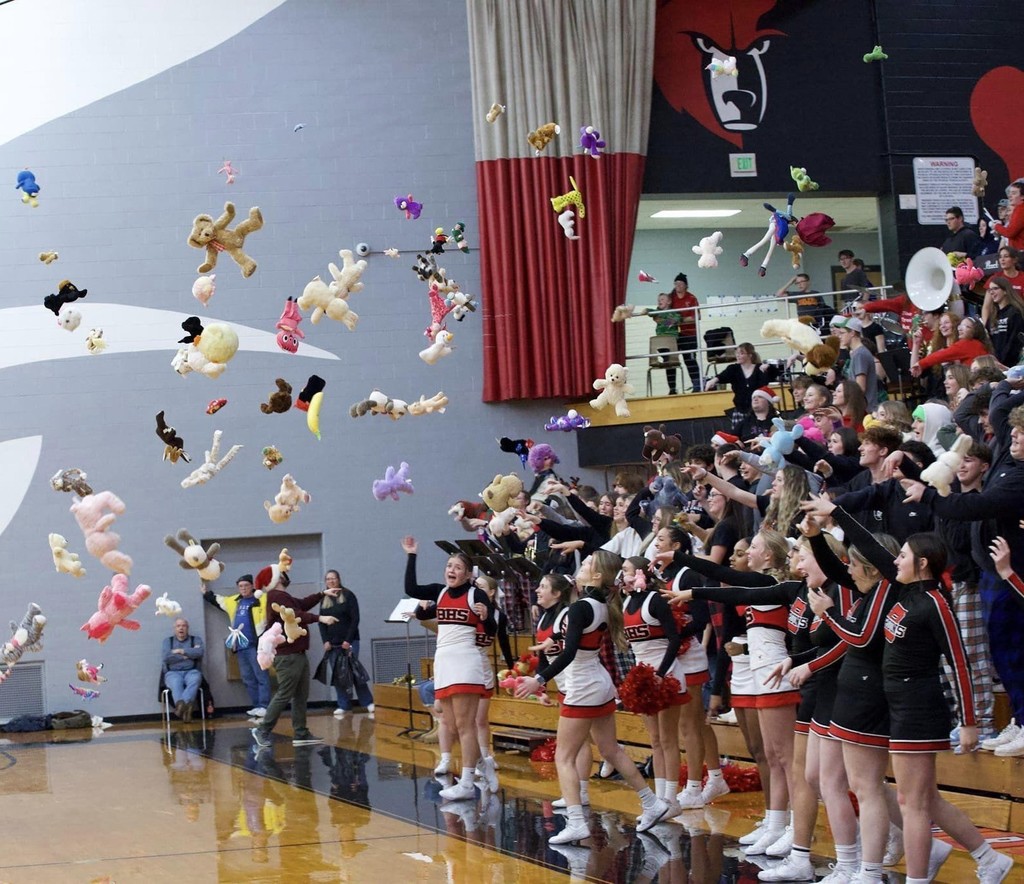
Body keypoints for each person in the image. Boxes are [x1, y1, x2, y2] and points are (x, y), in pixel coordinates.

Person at [801, 496, 1014, 884]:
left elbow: (960, 663)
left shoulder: (935, 603)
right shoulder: (905, 592)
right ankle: (989, 858)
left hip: (919, 708)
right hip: (897, 705)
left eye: (902, 556)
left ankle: (917, 878)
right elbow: (869, 551)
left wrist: (970, 722)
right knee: (923, 799)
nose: (894, 560)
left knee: (911, 802)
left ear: (922, 563)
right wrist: (831, 521)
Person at [514, 550, 673, 842]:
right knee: (611, 750)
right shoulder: (601, 604)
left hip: (582, 685)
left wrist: (539, 679)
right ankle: (652, 802)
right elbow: (577, 636)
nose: (582, 565)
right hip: (599, 682)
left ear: (597, 575)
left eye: (587, 563)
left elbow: (570, 652)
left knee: (564, 756)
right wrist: (556, 640)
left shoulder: (580, 607)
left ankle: (576, 821)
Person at [402, 536, 498, 800]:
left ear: (467, 574)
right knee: (452, 724)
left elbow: (492, 630)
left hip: (466, 661)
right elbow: (411, 588)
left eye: (457, 567)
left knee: (466, 725)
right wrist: (411, 555)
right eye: (449, 566)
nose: (451, 570)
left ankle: (467, 782)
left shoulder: (476, 594)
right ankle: (483, 764)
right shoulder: (440, 592)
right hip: (443, 660)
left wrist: (486, 617)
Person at [251, 573, 340, 749]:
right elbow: (296, 614)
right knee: (284, 694)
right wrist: (320, 618)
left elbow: (302, 604)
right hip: (288, 655)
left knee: (300, 695)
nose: (285, 573)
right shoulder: (276, 596)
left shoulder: (283, 596)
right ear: (276, 579)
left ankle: (300, 732)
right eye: (281, 572)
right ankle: (262, 730)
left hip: (296, 653)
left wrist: (322, 594)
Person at [201, 573, 270, 719]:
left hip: (256, 645)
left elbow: (275, 600)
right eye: (240, 586)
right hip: (241, 646)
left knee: (261, 676)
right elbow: (219, 601)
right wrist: (206, 593)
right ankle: (257, 705)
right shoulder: (234, 601)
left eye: (246, 585)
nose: (243, 588)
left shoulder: (261, 599)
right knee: (248, 678)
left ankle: (265, 706)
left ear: (252, 586)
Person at [319, 569, 374, 718]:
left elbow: (355, 619)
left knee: (354, 672)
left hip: (350, 641)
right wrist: (325, 641)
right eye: (328, 579)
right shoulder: (324, 599)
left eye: (333, 578)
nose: (331, 581)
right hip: (333, 644)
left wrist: (348, 640)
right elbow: (321, 622)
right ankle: (343, 704)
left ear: (338, 579)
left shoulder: (348, 595)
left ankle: (367, 702)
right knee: (338, 675)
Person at [704, 343, 780, 416]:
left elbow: (776, 373)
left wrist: (768, 367)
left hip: (760, 409)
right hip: (741, 410)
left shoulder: (760, 368)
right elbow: (722, 376)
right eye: (737, 353)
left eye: (741, 353)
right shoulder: (733, 369)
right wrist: (713, 380)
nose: (738, 356)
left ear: (750, 355)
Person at [162, 618, 204, 723]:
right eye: (178, 626)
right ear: (174, 628)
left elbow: (199, 653)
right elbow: (166, 657)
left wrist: (181, 651)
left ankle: (181, 708)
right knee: (176, 682)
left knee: (195, 679)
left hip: (192, 671)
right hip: (172, 673)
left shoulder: (196, 640)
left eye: (183, 626)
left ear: (187, 628)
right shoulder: (168, 641)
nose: (181, 628)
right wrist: (186, 656)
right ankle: (186, 710)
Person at [669, 273, 702, 392]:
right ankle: (672, 389)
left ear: (686, 285)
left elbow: (697, 316)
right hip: (674, 335)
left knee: (690, 360)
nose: (678, 285)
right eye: (676, 283)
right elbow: (664, 315)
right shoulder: (671, 298)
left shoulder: (691, 298)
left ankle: (697, 385)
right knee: (670, 360)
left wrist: (680, 320)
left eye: (680, 283)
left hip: (689, 334)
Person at [835, 316, 878, 406]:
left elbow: (860, 388)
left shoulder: (860, 354)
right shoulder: (858, 353)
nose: (839, 336)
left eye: (842, 333)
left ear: (852, 333)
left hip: (864, 408)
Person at [983, 277, 1024, 367]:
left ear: (1005, 291)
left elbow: (1015, 341)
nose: (991, 292)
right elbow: (988, 340)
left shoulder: (1015, 312)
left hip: (1012, 365)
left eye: (995, 288)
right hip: (995, 364)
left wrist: (1003, 362)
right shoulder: (992, 316)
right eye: (990, 290)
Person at [652, 291, 683, 395]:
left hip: (672, 342)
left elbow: (677, 318)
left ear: (669, 302)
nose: (659, 301)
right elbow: (650, 312)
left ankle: (672, 388)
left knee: (669, 361)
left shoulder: (673, 312)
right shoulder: (657, 312)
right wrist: (645, 311)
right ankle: (672, 388)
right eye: (658, 300)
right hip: (661, 343)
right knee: (668, 359)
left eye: (662, 299)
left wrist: (663, 321)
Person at [993, 180, 1024, 251]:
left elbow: (1010, 232)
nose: (1010, 196)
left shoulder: (1021, 209)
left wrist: (996, 226)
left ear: (1022, 196)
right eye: (1010, 193)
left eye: (1014, 193)